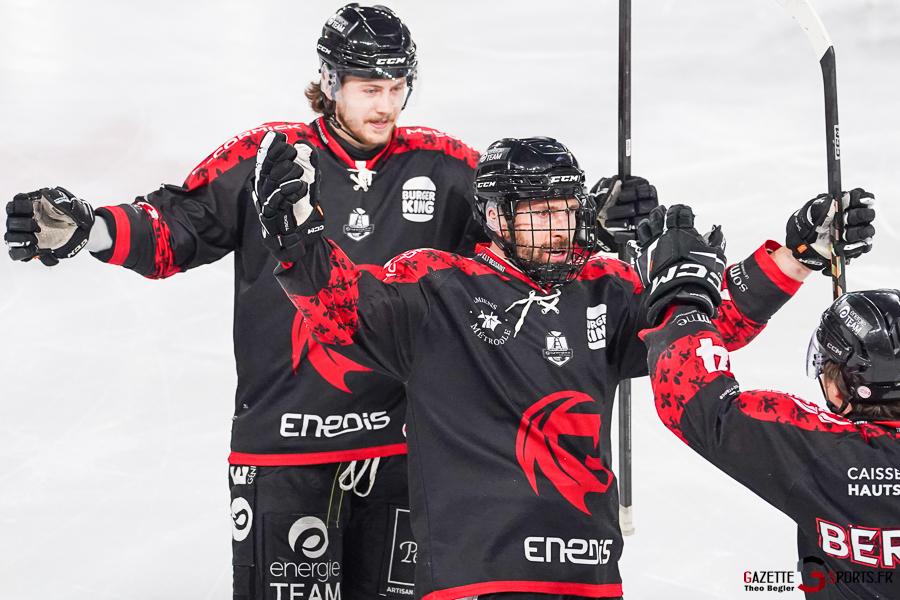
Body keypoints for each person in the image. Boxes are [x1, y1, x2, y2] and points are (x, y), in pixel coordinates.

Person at [4, 5, 492, 600]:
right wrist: (90, 229)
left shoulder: (446, 168)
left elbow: (528, 246)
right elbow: (174, 228)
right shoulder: (268, 158)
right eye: (370, 89)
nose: (386, 106)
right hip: (285, 454)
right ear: (331, 82)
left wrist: (597, 225)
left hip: (406, 452)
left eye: (397, 88)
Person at [250, 130, 837, 600]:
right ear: (496, 217)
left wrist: (799, 255)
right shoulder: (437, 287)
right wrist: (298, 248)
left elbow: (709, 322)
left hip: (587, 573)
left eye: (565, 210)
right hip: (475, 575)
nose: (558, 229)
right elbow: (341, 309)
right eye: (538, 212)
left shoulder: (606, 286)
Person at [638, 199, 896, 599]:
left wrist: (681, 291)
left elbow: (701, 405)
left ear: (839, 386)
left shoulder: (828, 452)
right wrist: (796, 259)